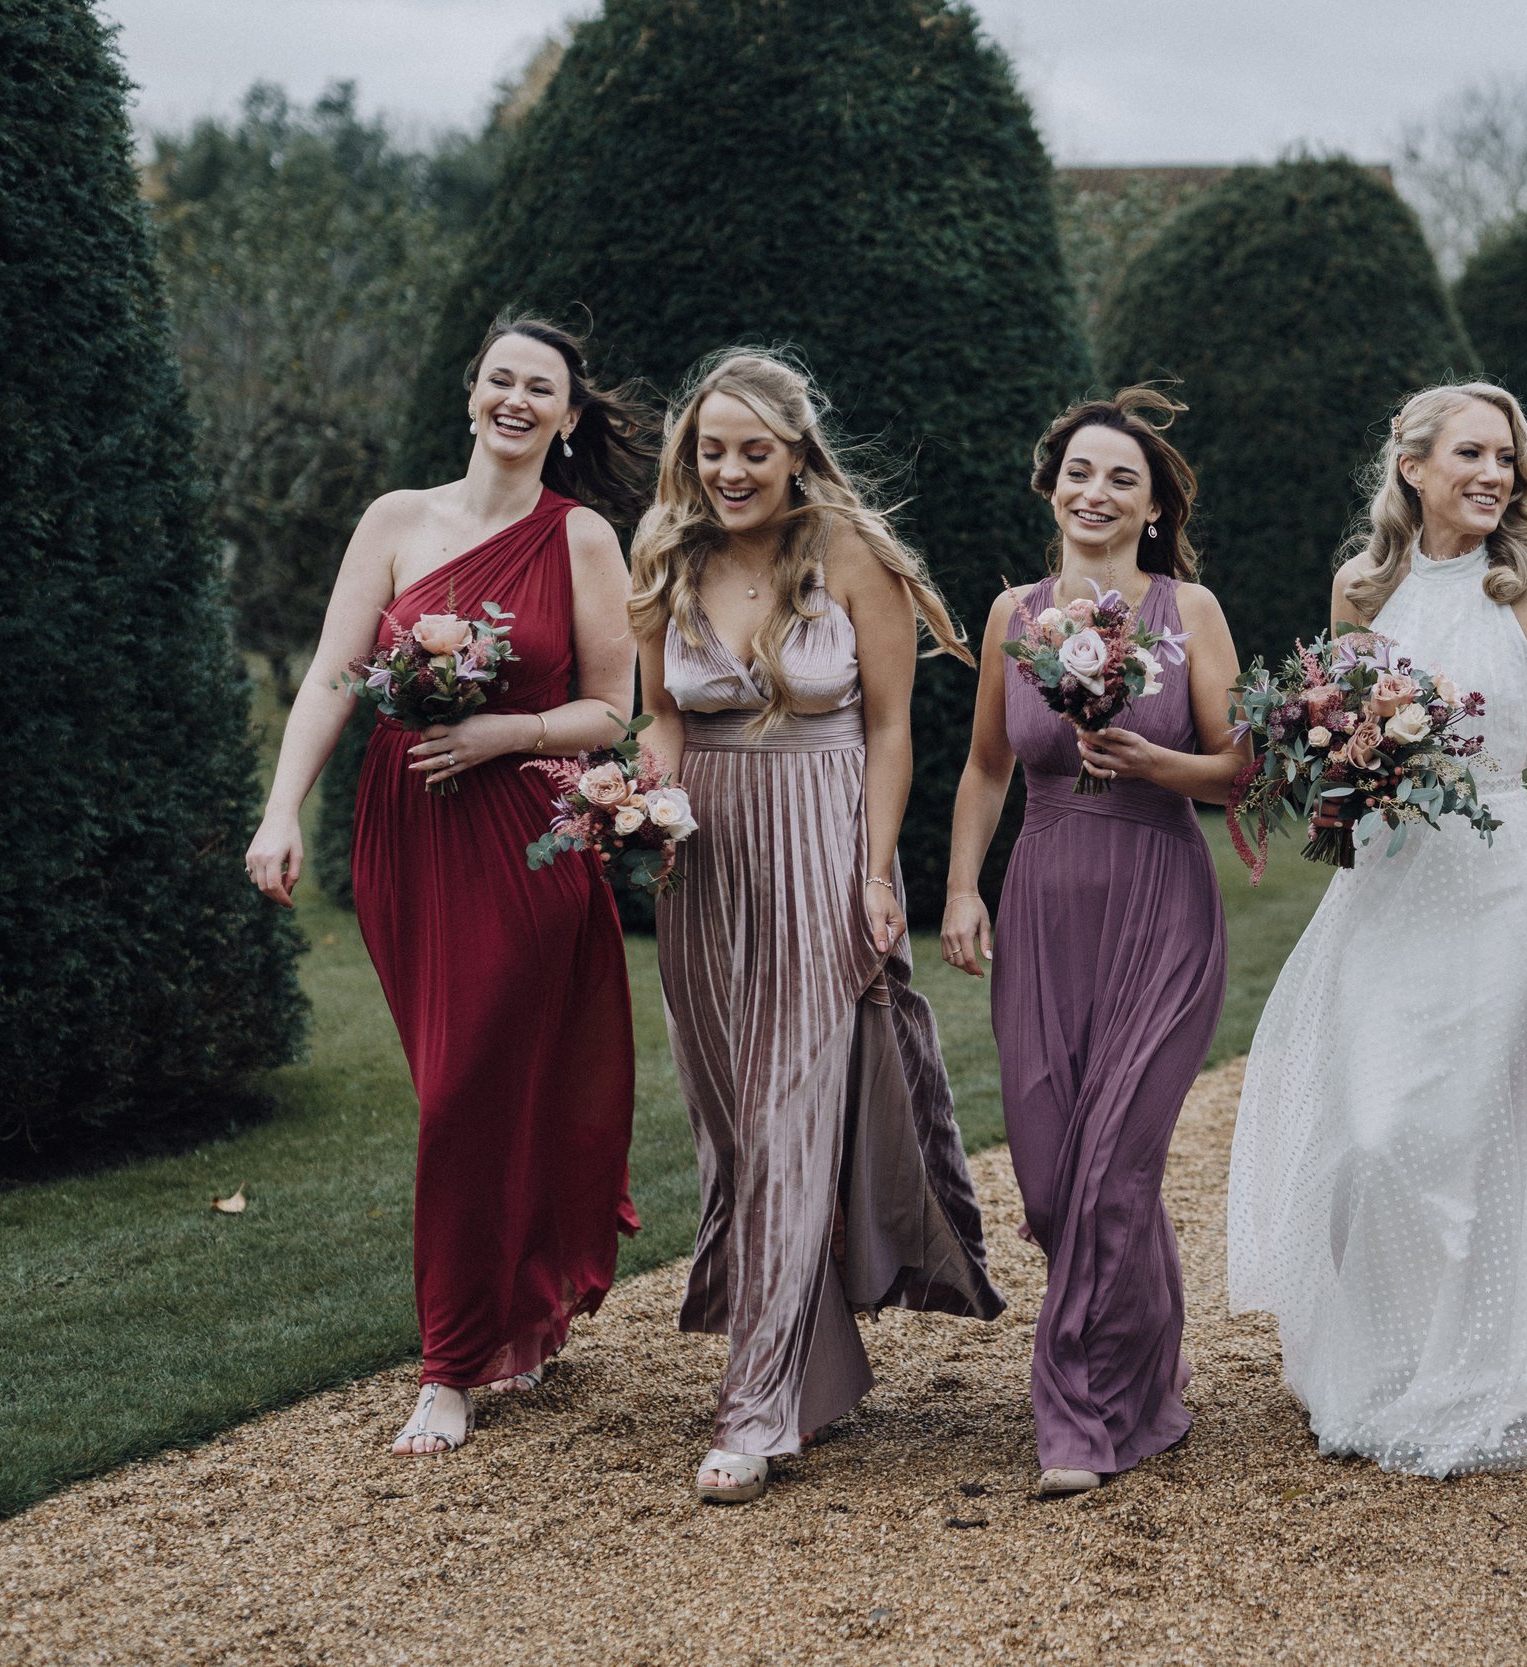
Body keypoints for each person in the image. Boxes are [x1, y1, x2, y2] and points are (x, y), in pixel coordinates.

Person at [245, 314, 655, 1455]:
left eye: (543, 388)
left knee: (463, 1089)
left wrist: (499, 732)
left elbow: (611, 711)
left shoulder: (579, 538)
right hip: (402, 837)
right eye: (501, 379)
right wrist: (281, 809)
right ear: (471, 391)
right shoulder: (394, 520)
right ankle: (516, 1311)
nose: (517, 399)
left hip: (522, 838)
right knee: (463, 1081)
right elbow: (334, 673)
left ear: (568, 417)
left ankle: (449, 1363)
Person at [632, 349, 1004, 1505]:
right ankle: (820, 1366)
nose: (731, 470)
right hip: (705, 861)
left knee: (790, 1109)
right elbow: (658, 713)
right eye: (712, 450)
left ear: (798, 451)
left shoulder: (848, 553)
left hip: (821, 844)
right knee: (733, 1122)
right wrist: (639, 800)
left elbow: (890, 728)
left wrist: (878, 870)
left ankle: (754, 1409)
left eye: (755, 450)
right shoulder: (665, 554)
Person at [1226, 382, 1527, 1477]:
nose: (1495, 475)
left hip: (1495, 886)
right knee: (1366, 1133)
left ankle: (1467, 1372)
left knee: (1463, 1133)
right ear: (1415, 466)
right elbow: (1337, 733)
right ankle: (1373, 1360)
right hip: (1387, 885)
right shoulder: (1361, 586)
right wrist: (1338, 776)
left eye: (1507, 459)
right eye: (1472, 454)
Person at [941, 387, 1244, 1498]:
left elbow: (1238, 766)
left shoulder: (1189, 609)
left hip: (1160, 893)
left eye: (1122, 477)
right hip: (1044, 895)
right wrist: (963, 886)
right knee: (1056, 1183)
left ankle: (1077, 1411)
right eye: (1080, 471)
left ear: (1155, 505)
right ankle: (1149, 1363)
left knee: (1115, 1160)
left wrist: (1155, 762)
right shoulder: (1011, 612)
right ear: (1052, 486)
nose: (1096, 492)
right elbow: (984, 765)